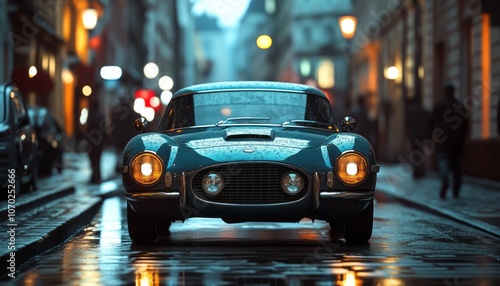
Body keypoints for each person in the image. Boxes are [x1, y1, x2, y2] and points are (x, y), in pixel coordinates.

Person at [428, 84, 468, 199]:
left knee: (442, 159)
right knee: (456, 164)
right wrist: (462, 138)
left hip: (442, 138)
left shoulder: (439, 105)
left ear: (445, 92)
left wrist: (430, 137)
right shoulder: (460, 105)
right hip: (457, 140)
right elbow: (465, 124)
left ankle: (444, 177)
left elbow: (431, 122)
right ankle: (456, 186)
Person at [405, 93, 430, 179]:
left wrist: (408, 134)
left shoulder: (409, 111)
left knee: (414, 153)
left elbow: (407, 124)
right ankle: (421, 170)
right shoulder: (424, 111)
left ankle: (416, 171)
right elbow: (428, 124)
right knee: (420, 152)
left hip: (413, 135)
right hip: (422, 135)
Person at [87, 96, 106, 184]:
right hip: (99, 141)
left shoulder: (89, 115)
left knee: (92, 159)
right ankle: (97, 176)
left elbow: (86, 129)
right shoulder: (101, 115)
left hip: (91, 141)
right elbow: (104, 129)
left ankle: (94, 176)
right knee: (97, 159)